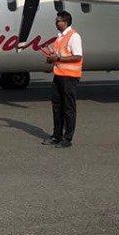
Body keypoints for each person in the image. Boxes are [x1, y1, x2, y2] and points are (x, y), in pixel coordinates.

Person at [42, 10, 82, 148]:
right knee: (57, 107)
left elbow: (78, 56)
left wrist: (57, 58)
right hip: (58, 75)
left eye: (58, 20)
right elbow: (59, 55)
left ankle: (67, 138)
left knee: (68, 108)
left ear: (65, 22)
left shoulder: (74, 36)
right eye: (56, 20)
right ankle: (56, 136)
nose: (56, 22)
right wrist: (51, 58)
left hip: (69, 77)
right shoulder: (59, 37)